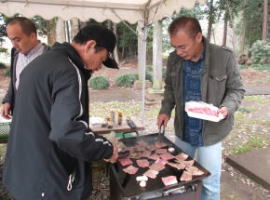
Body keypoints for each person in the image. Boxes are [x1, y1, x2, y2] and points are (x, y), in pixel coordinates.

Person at [3, 24, 119, 200]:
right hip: (46, 179)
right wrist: (107, 149)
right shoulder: (69, 70)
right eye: (101, 59)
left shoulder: (44, 62)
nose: (99, 67)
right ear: (90, 45)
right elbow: (67, 131)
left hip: (24, 169)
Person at [157, 16, 245, 200]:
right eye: (175, 47)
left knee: (209, 184)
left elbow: (236, 90)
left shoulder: (223, 57)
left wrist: (226, 108)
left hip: (211, 133)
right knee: (179, 180)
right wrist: (165, 109)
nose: (178, 52)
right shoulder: (174, 59)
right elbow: (170, 88)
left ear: (198, 37)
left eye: (183, 46)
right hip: (183, 129)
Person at [1, 17, 50, 119]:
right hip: (20, 114)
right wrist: (8, 100)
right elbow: (15, 81)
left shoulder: (51, 56)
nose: (14, 45)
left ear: (32, 36)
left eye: (17, 39)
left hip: (42, 117)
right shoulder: (15, 53)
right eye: (11, 40)